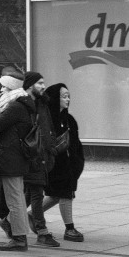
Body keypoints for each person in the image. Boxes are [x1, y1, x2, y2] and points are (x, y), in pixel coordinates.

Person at [0, 72, 35, 251]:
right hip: (16, 157)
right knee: (17, 198)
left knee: (14, 199)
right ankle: (19, 235)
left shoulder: (14, 107)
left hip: (10, 157)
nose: (1, 90)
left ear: (12, 88)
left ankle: (19, 239)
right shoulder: (22, 104)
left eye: (4, 87)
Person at [20, 72, 60, 247]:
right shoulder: (23, 104)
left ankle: (7, 220)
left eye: (43, 83)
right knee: (36, 193)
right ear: (30, 85)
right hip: (32, 155)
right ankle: (42, 232)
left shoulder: (42, 103)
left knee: (29, 193)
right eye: (39, 83)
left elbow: (48, 127)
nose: (43, 86)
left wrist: (51, 149)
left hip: (43, 154)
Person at [44, 83, 86, 242]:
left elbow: (75, 143)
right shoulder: (47, 119)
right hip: (55, 164)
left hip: (68, 164)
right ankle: (69, 229)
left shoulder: (69, 119)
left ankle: (31, 215)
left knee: (57, 195)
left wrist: (78, 162)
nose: (68, 99)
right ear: (55, 98)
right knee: (65, 193)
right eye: (64, 96)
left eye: (69, 96)